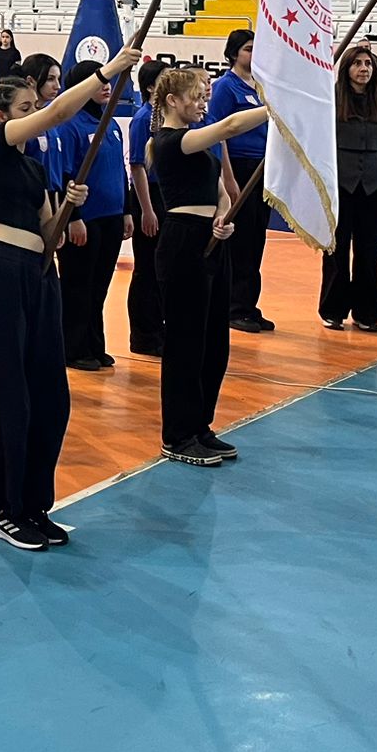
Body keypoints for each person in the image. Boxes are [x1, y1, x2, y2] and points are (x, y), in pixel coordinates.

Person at [0, 46, 138, 549]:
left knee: (50, 396)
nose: (35, 113)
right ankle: (4, 508)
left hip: (39, 274)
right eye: (26, 108)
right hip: (0, 272)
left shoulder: (34, 168)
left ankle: (34, 504)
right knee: (8, 397)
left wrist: (66, 209)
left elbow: (49, 236)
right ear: (4, 116)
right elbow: (59, 111)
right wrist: (109, 71)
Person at [151, 65, 268, 467]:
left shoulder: (201, 148)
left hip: (212, 242)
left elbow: (221, 193)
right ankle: (177, 434)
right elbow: (231, 125)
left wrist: (222, 217)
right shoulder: (169, 141)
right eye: (197, 97)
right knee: (185, 342)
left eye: (205, 96)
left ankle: (200, 425)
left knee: (214, 342)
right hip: (182, 242)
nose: (203, 104)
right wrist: (278, 108)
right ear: (172, 101)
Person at [52, 59, 133, 371]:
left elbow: (120, 170)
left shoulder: (109, 122)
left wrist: (126, 211)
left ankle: (94, 344)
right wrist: (72, 217)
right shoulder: (70, 125)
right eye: (98, 81)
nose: (106, 86)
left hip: (111, 215)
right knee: (78, 285)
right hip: (85, 218)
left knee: (99, 286)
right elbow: (66, 175)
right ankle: (73, 348)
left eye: (107, 81)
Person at [321, 44, 377, 333]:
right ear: (346, 69)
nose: (364, 69)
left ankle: (366, 313)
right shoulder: (331, 99)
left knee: (369, 253)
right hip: (340, 186)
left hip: (374, 186)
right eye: (357, 63)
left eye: (368, 64)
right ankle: (333, 310)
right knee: (336, 250)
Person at [208, 29, 273, 333]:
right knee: (241, 239)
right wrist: (228, 176)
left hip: (262, 167)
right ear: (234, 53)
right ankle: (234, 306)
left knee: (256, 237)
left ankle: (249, 303)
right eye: (248, 48)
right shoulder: (225, 87)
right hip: (239, 165)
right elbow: (218, 132)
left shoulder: (261, 87)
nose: (254, 53)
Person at [125, 57, 167, 357]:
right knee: (147, 269)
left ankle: (159, 327)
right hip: (149, 195)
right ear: (151, 86)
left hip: (167, 193)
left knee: (162, 268)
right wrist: (147, 210)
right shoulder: (143, 119)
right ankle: (143, 335)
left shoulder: (167, 116)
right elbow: (138, 166)